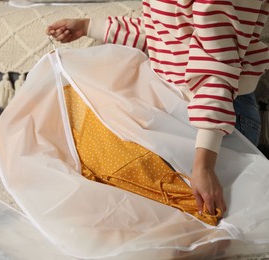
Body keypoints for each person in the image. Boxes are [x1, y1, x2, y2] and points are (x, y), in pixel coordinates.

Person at [46, 0, 269, 220]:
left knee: (183, 220)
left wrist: (204, 166)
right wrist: (88, 26)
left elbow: (216, 73)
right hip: (179, 106)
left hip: (217, 120)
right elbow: (162, 33)